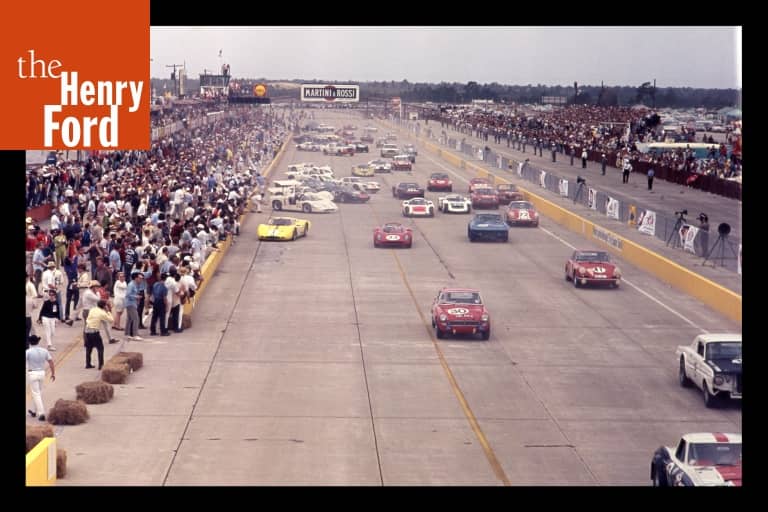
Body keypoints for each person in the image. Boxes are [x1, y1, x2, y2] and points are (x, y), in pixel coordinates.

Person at [26, 334, 55, 422]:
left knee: (36, 394)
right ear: (38, 342)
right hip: (42, 373)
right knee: (39, 393)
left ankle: (41, 413)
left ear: (30, 342)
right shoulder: (44, 351)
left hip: (32, 373)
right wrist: (53, 373)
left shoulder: (28, 352)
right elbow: (51, 362)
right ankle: (34, 411)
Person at [84, 299, 112, 369]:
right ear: (104, 306)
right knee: (100, 348)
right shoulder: (102, 313)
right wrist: (108, 311)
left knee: (89, 348)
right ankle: (101, 365)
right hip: (94, 332)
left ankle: (88, 364)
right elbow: (111, 320)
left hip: (87, 331)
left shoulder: (93, 309)